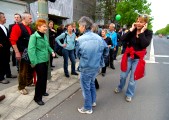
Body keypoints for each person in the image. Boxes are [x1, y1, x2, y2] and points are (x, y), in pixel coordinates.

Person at [114, 14, 153, 102]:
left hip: (137, 59)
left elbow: (144, 44)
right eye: (138, 21)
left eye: (141, 22)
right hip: (128, 57)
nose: (138, 23)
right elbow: (122, 39)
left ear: (145, 23)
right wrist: (131, 30)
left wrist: (142, 32)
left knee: (133, 79)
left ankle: (129, 94)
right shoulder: (132, 30)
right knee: (123, 76)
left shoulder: (148, 33)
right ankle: (120, 87)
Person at [76, 16, 109, 114]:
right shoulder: (99, 38)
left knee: (86, 87)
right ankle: (93, 101)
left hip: (86, 66)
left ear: (83, 26)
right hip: (96, 66)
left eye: (79, 26)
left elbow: (77, 54)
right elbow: (106, 51)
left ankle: (87, 107)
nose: (79, 28)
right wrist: (99, 58)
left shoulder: (80, 39)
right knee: (91, 84)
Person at [28, 19, 55, 105]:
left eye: (46, 26)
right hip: (38, 62)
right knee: (40, 79)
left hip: (45, 60)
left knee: (44, 78)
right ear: (38, 27)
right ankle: (37, 98)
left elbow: (48, 46)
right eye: (44, 26)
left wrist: (52, 51)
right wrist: (34, 62)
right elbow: (31, 50)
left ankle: (43, 91)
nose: (46, 28)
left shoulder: (44, 36)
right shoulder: (34, 37)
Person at [10, 12, 34, 95]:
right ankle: (21, 87)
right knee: (23, 71)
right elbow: (13, 40)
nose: (31, 20)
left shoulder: (29, 28)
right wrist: (17, 52)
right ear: (24, 18)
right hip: (21, 52)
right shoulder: (17, 27)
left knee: (30, 69)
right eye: (30, 18)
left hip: (29, 52)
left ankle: (28, 82)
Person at [0, 12, 17, 84]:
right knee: (1, 63)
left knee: (7, 61)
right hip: (0, 49)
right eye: (3, 17)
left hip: (6, 48)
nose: (5, 18)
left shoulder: (5, 27)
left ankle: (8, 74)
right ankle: (1, 78)